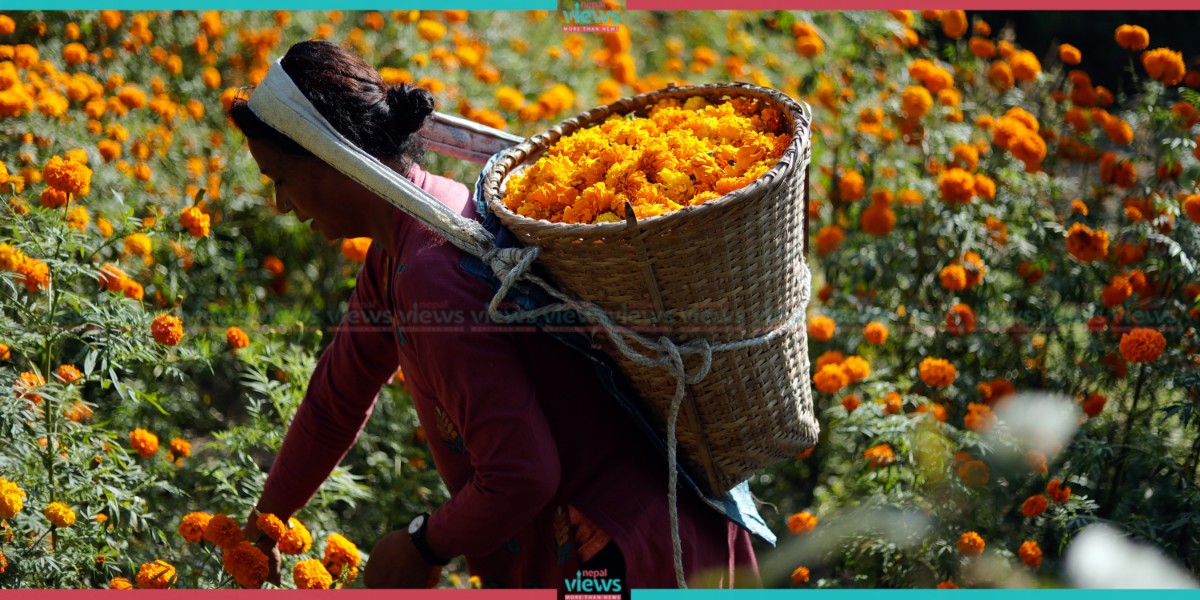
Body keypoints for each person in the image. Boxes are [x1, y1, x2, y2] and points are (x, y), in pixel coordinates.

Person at [230, 39, 762, 590]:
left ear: (329, 156)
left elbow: (521, 476)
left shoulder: (431, 274)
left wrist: (419, 544)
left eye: (280, 180)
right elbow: (335, 402)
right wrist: (265, 526)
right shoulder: (412, 238)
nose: (282, 206)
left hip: (619, 553)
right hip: (654, 526)